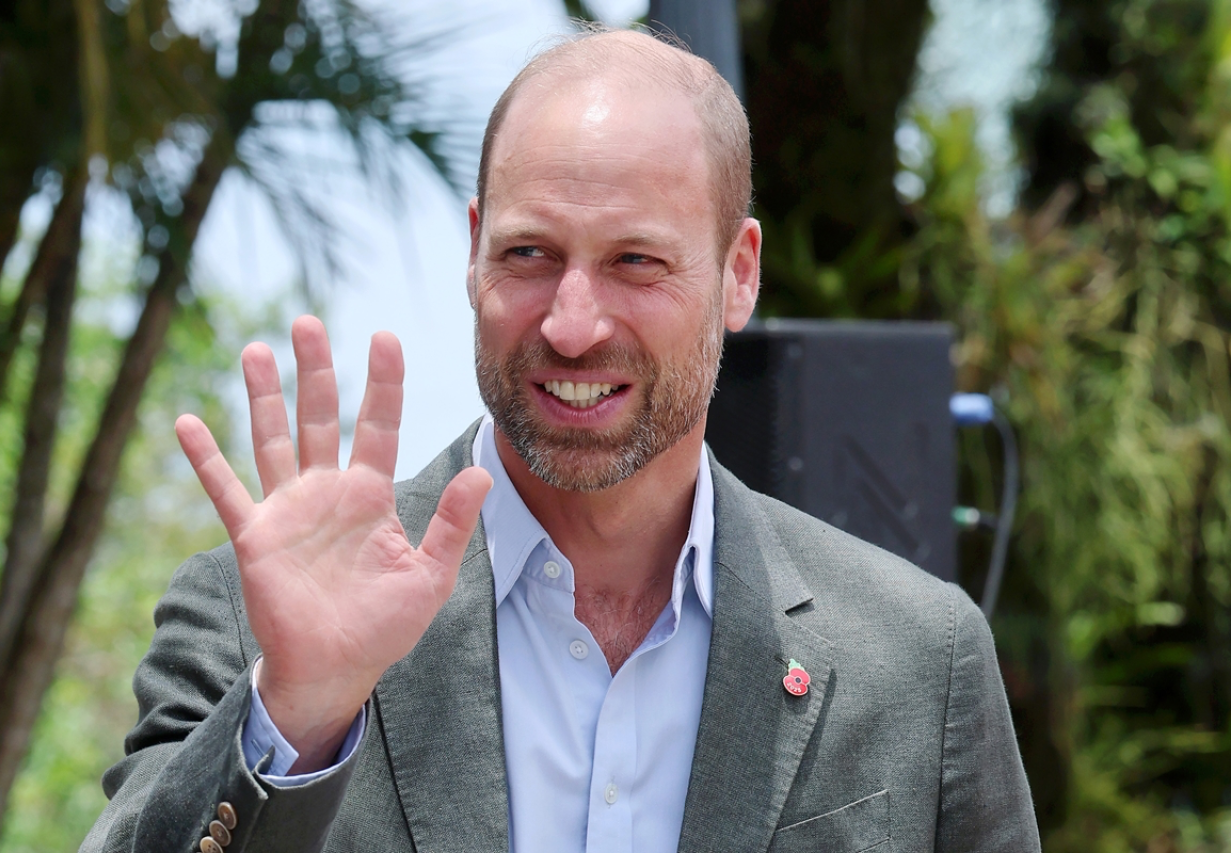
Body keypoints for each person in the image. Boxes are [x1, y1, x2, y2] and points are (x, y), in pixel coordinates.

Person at [82, 28, 1040, 853]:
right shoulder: (259, 627)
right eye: (529, 254)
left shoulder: (919, 661)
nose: (573, 324)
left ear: (739, 274)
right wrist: (296, 717)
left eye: (637, 260)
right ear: (473, 252)